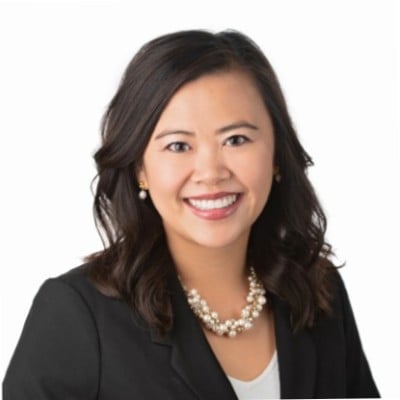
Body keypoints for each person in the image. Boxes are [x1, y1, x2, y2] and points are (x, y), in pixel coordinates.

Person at [3, 29, 379, 399]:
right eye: (179, 146)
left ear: (277, 155)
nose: (211, 173)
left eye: (236, 140)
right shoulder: (77, 313)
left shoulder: (319, 290)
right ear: (140, 168)